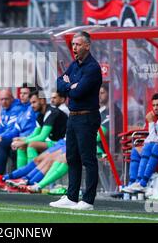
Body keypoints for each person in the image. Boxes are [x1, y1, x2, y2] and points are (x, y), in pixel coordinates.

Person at [51, 31, 102, 211]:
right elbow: (59, 83)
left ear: (87, 46)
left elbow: (78, 92)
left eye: (78, 44)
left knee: (88, 158)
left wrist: (70, 87)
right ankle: (72, 197)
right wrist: (68, 85)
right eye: (73, 44)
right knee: (72, 157)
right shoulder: (75, 65)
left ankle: (88, 200)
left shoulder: (93, 68)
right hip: (73, 117)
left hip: (87, 116)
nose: (74, 47)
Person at [0, 84, 38, 182]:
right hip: (19, 137)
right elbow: (15, 129)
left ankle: (1, 177)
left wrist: (5, 137)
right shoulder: (23, 110)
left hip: (29, 138)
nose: (22, 96)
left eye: (25, 93)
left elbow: (35, 129)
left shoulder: (29, 109)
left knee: (4, 143)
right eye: (21, 93)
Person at [10, 89, 68, 168]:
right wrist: (22, 140)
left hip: (62, 144)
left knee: (32, 145)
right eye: (31, 103)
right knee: (22, 145)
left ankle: (30, 175)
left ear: (42, 101)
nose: (32, 106)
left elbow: (42, 137)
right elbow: (35, 134)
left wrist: (24, 141)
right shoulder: (40, 115)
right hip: (52, 143)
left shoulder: (52, 112)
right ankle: (20, 176)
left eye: (34, 102)